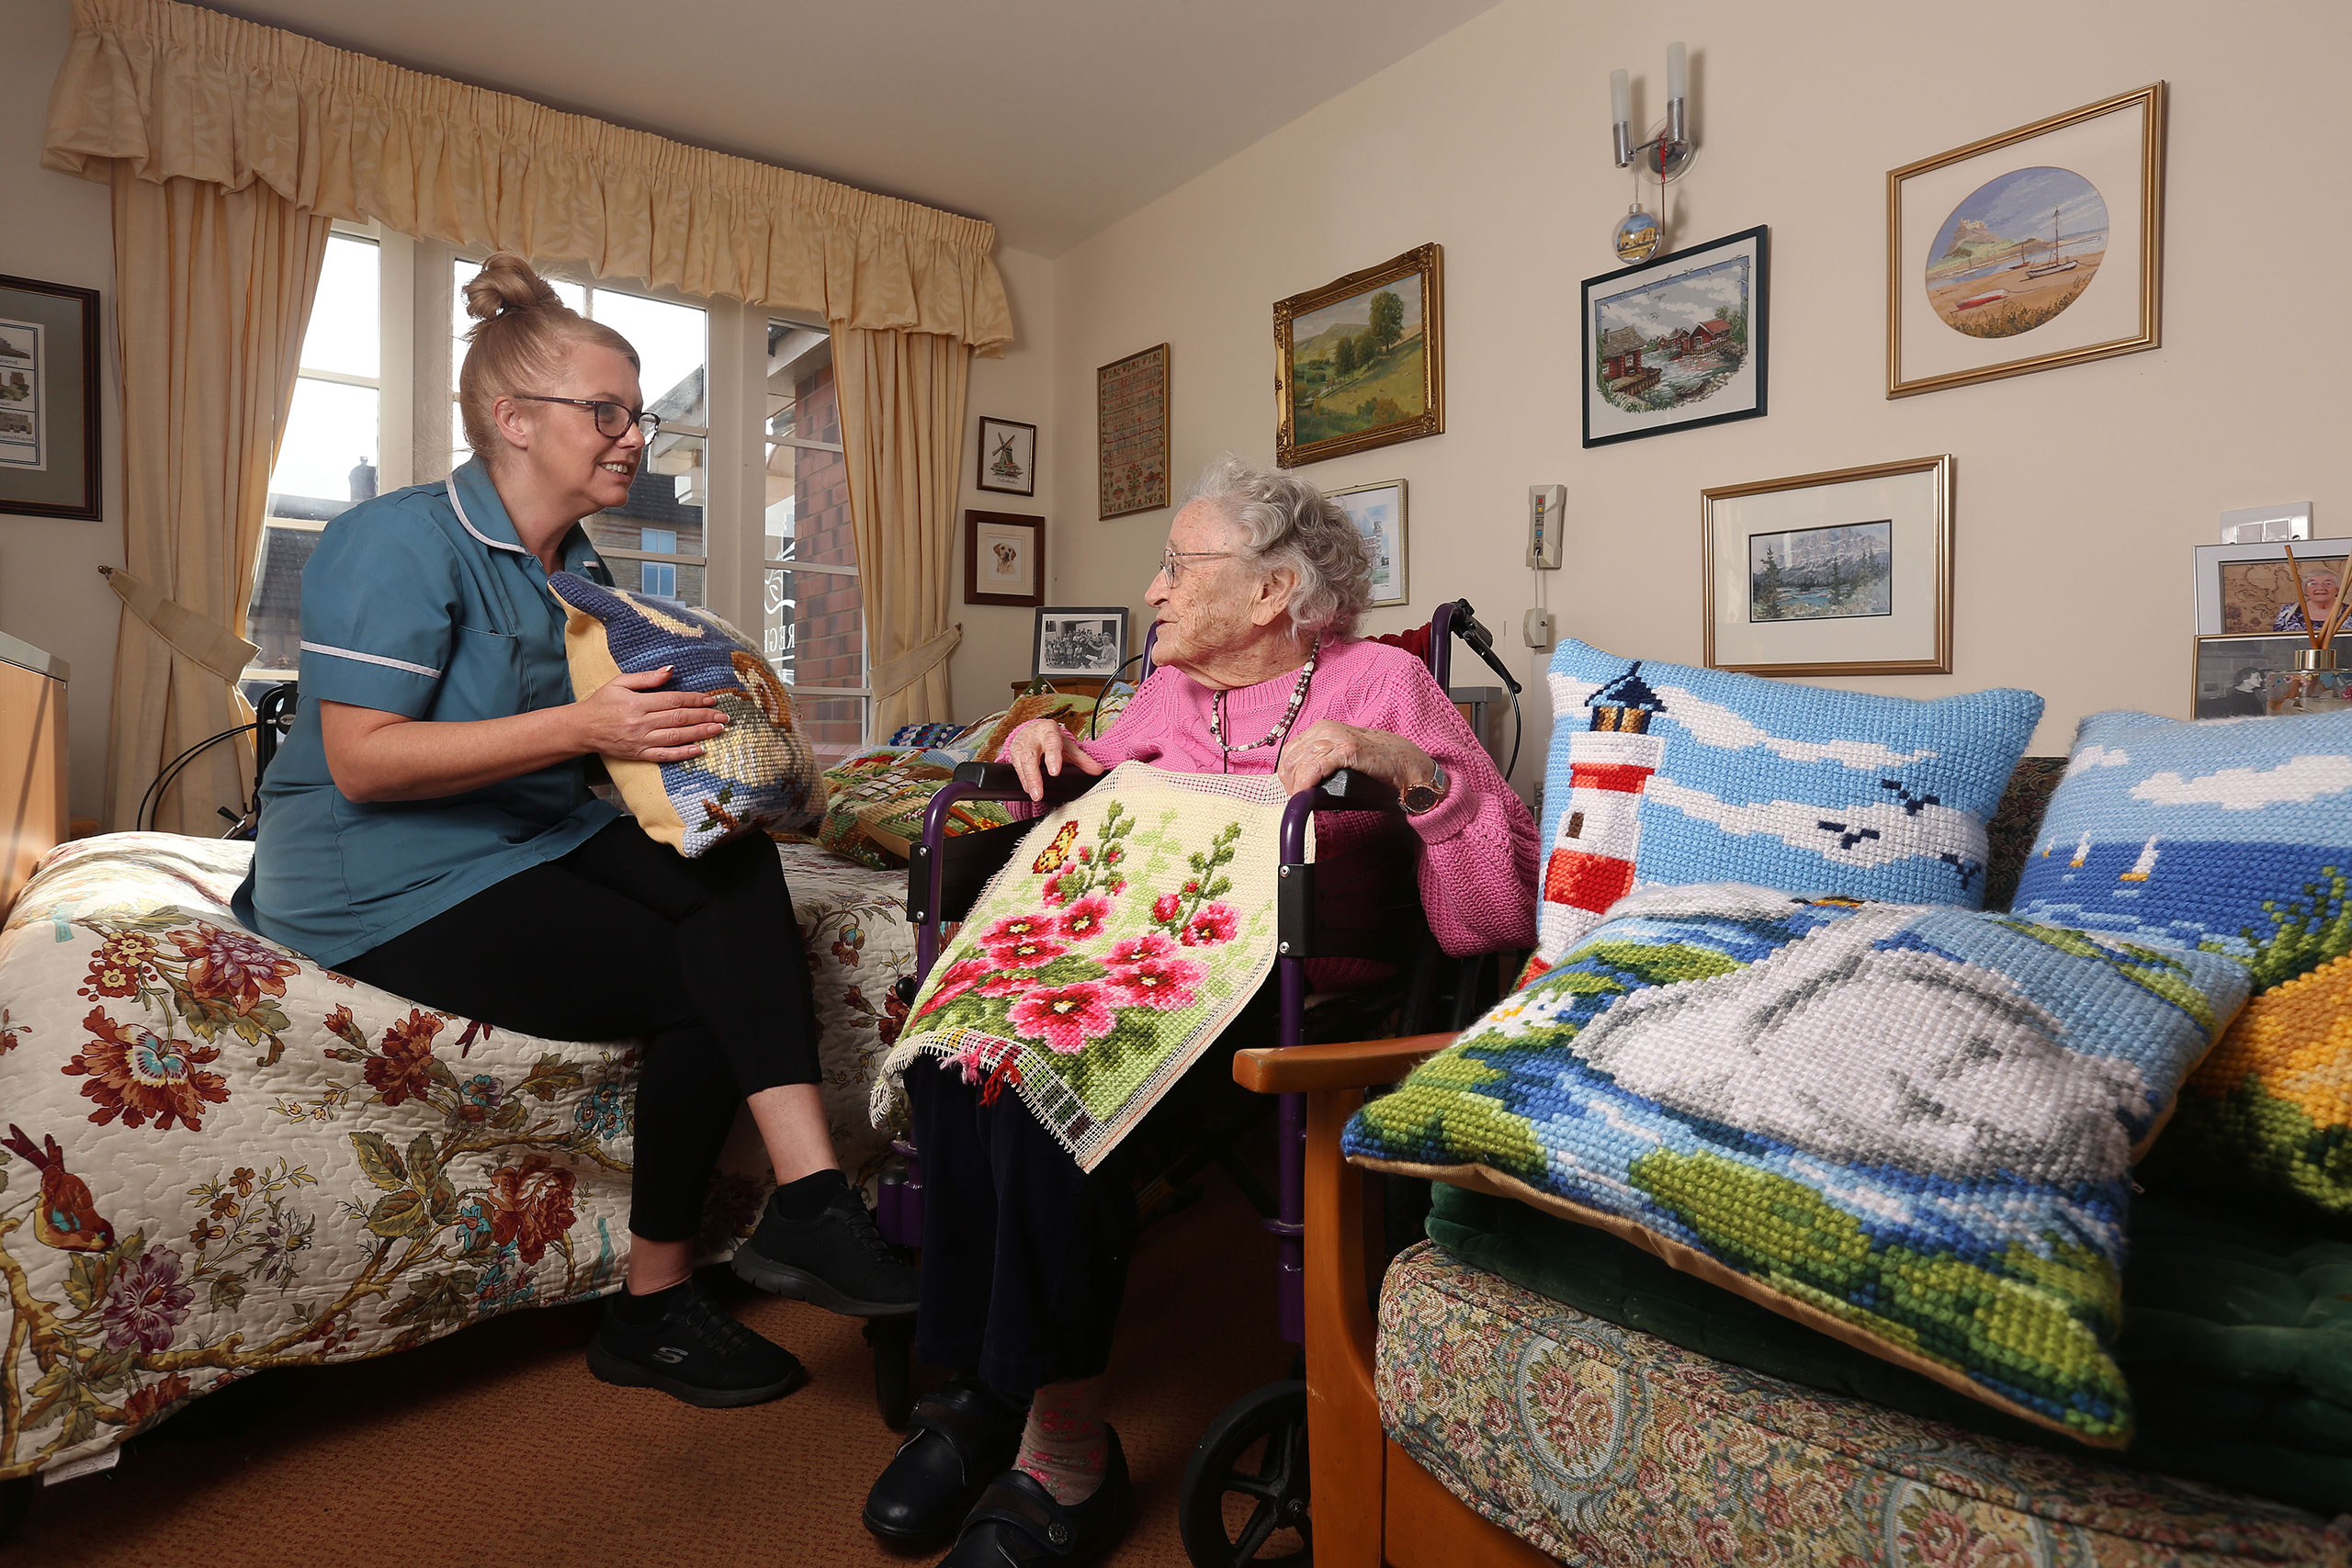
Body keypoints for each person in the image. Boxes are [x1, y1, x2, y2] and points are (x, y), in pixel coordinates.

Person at [234, 254, 913, 1411]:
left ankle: (808, 1205)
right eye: (604, 413)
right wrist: (584, 724)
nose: (632, 437)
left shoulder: (578, 570)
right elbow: (364, 759)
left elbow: (595, 742)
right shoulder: (395, 540)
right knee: (698, 983)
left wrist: (728, 755)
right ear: (511, 420)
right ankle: (650, 1312)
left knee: (733, 868)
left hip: (525, 829)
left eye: (634, 413)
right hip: (379, 869)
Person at [863, 455, 1537, 1564]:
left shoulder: (1381, 683)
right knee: (955, 1052)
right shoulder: (1169, 692)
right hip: (1143, 956)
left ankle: (1066, 1450)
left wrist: (1401, 768)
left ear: (1273, 591)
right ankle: (986, 1393)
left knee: (1046, 1078)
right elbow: (1115, 792)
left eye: (1179, 565)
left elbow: (1491, 913)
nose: (1154, 591)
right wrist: (1053, 754)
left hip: (1294, 983)